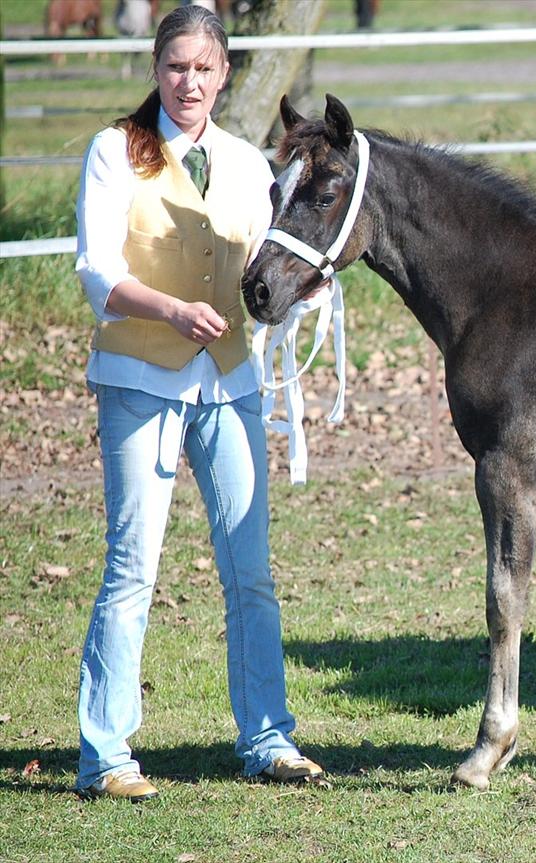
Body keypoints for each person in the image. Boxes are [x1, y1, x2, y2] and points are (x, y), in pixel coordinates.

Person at [74, 4, 323, 802]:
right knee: (132, 568)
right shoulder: (115, 152)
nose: (190, 81)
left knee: (250, 573)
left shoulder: (247, 163)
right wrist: (173, 311)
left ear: (223, 75)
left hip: (230, 384)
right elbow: (96, 274)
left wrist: (306, 288)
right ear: (156, 69)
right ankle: (106, 755)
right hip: (141, 379)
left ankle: (268, 736)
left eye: (204, 68)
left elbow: (264, 264)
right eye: (176, 66)